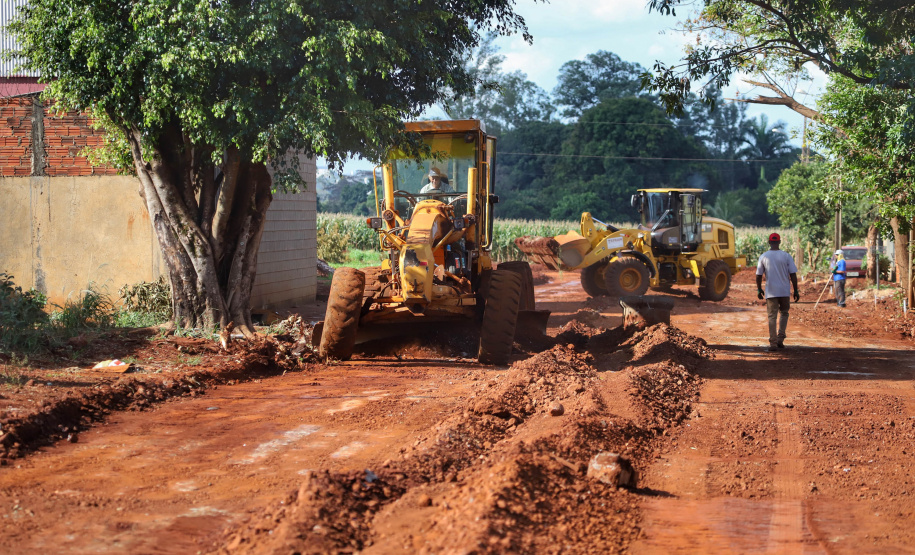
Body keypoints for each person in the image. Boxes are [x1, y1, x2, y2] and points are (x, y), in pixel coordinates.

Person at [756, 232, 800, 351]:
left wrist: (759, 289)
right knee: (784, 313)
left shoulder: (764, 256)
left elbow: (759, 275)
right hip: (784, 291)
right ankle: (780, 338)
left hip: (771, 292)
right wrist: (796, 290)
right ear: (779, 242)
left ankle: (773, 343)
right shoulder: (786, 256)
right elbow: (793, 275)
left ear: (769, 242)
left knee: (772, 317)